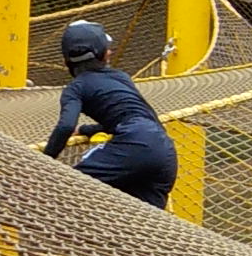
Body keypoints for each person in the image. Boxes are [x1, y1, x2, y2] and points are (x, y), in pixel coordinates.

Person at [43, 20, 179, 208]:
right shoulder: (121, 77)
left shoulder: (76, 88)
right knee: (144, 218)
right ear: (103, 54)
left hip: (135, 142)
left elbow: (65, 126)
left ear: (67, 59)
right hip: (164, 151)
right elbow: (134, 116)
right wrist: (87, 130)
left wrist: (43, 162)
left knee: (67, 189)